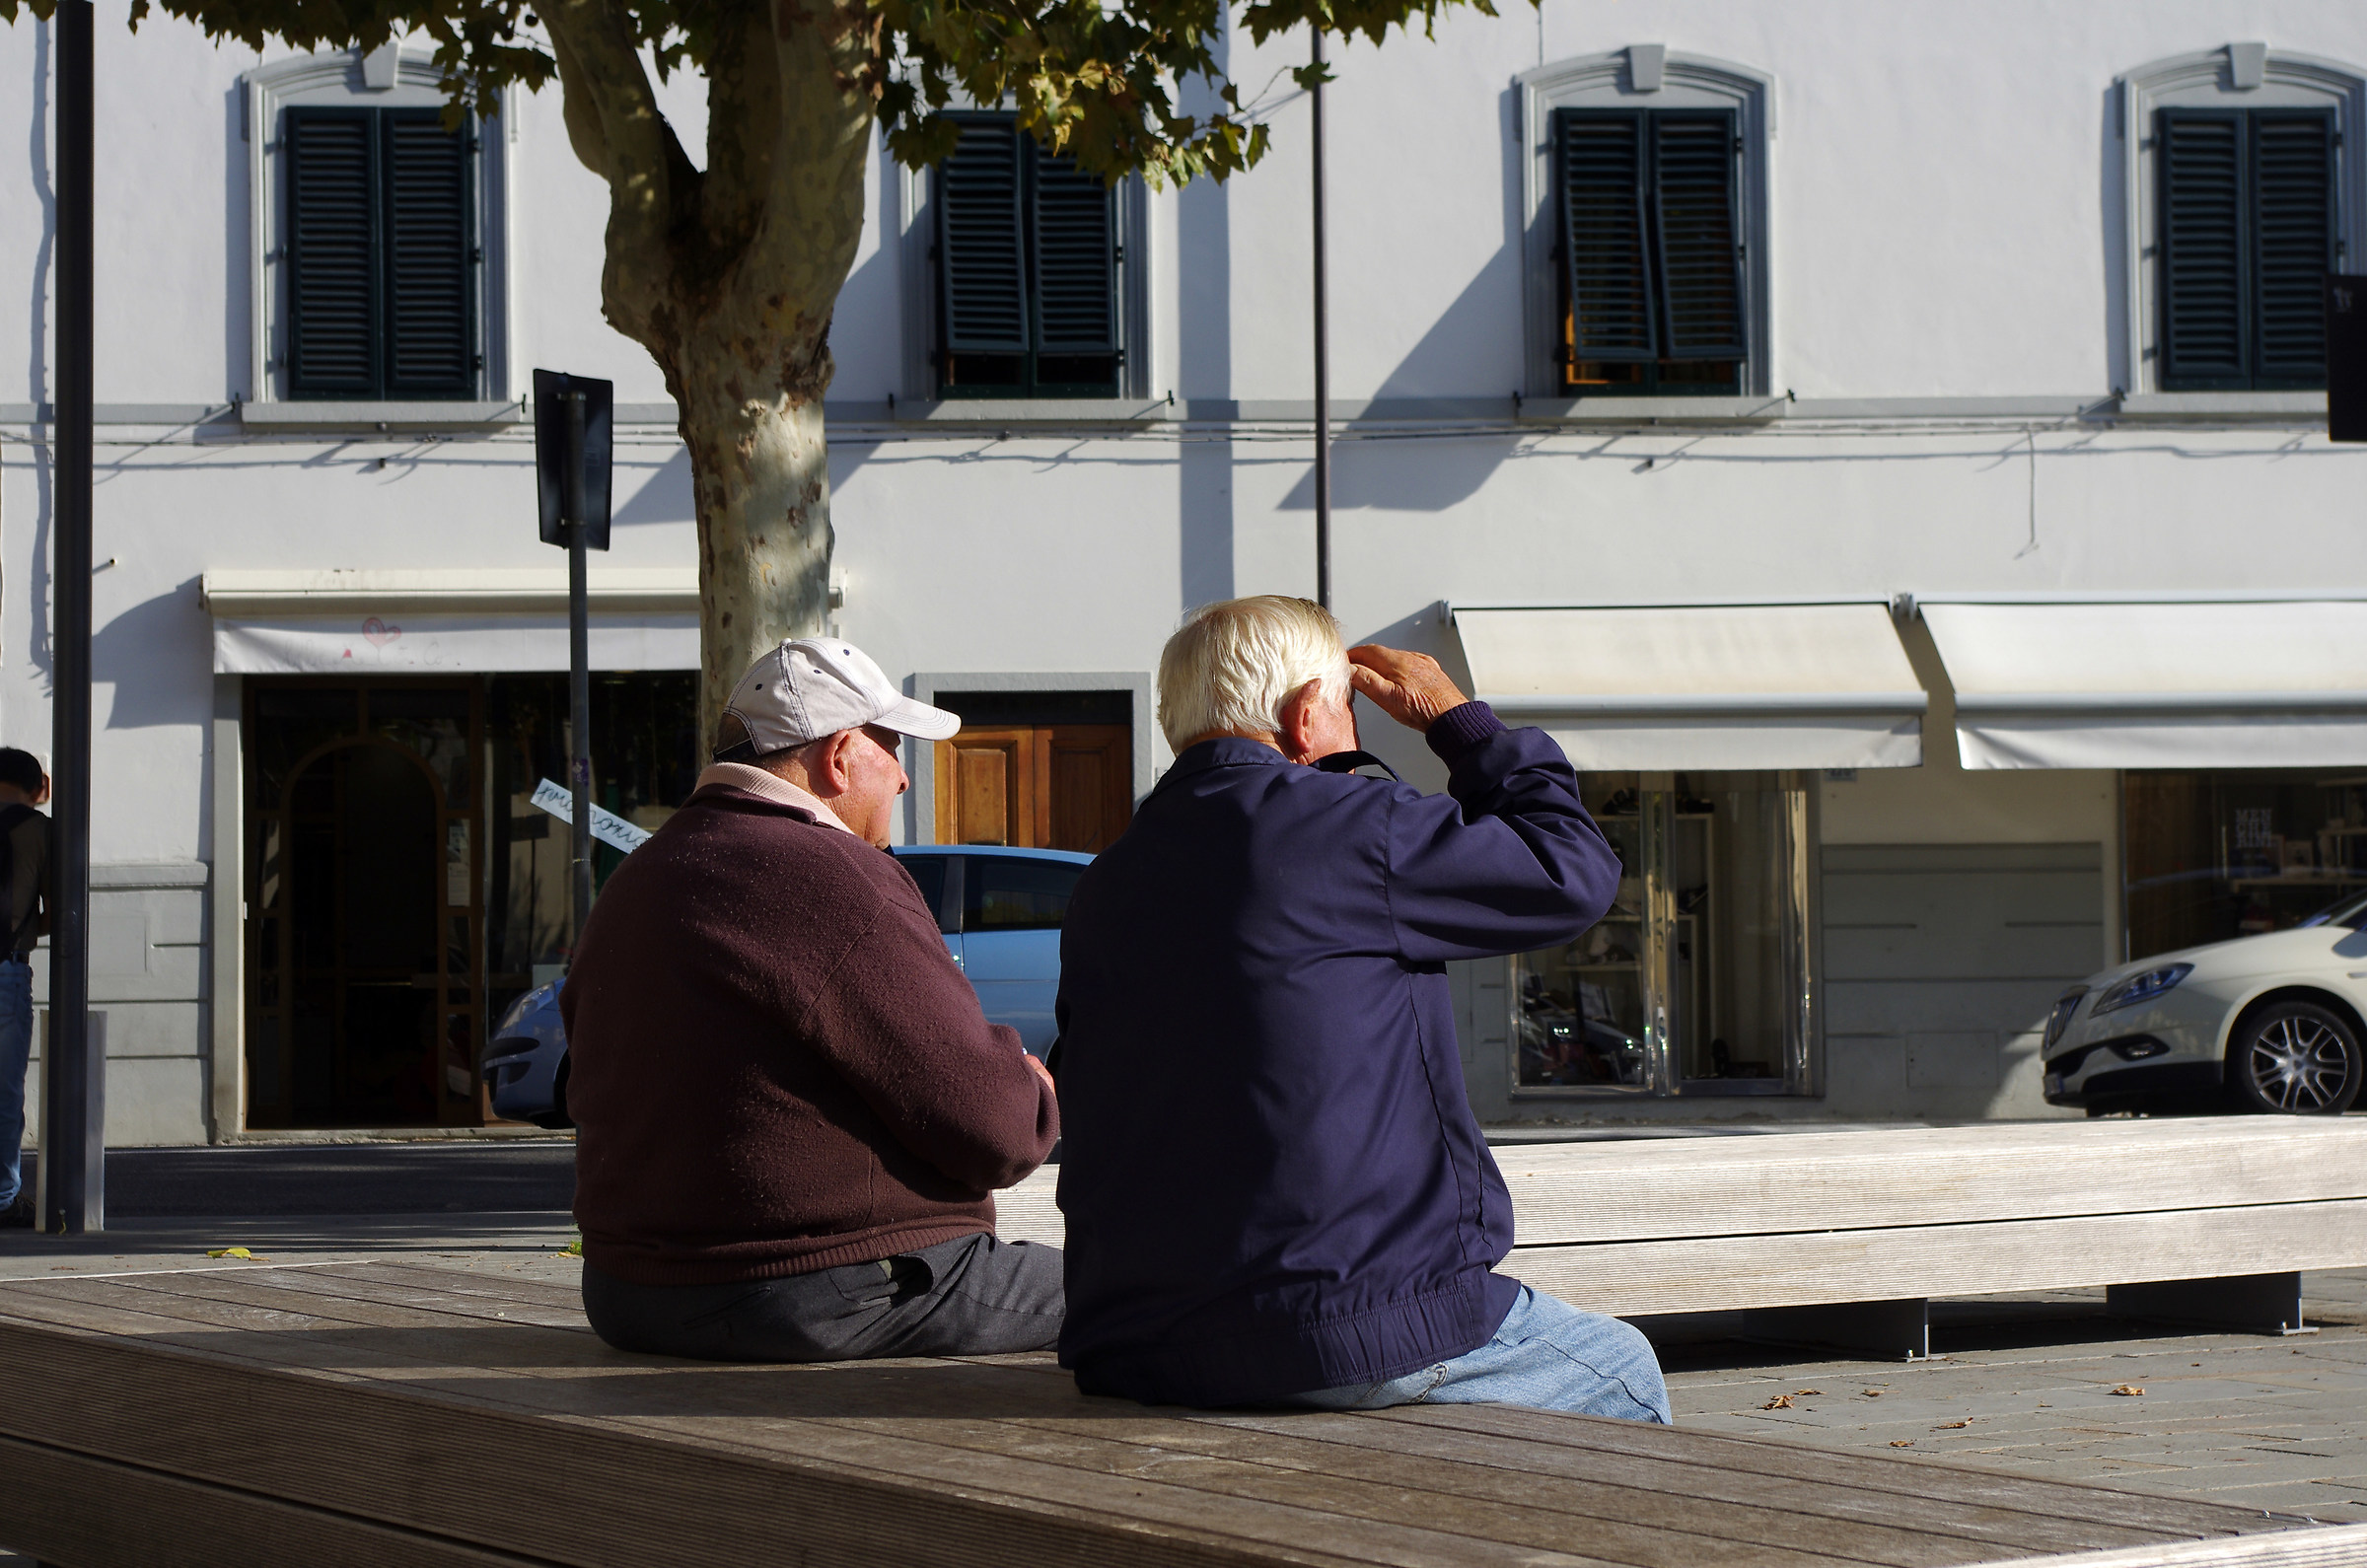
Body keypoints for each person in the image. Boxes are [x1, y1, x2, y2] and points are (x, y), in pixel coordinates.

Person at [1053, 597, 1671, 1419]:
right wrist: (1461, 724)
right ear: (1308, 716)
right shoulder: (1349, 826)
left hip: (1136, 1343)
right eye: (1348, 710)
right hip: (1337, 1331)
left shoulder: (1110, 880)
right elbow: (1572, 869)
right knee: (1620, 1368)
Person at [564, 637, 1062, 1361]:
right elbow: (997, 1133)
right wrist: (1030, 1088)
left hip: (628, 1293)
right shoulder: (837, 875)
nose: (903, 781)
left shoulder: (642, 873)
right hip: (806, 1290)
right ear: (838, 756)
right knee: (1152, 1282)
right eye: (892, 749)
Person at [0, 749, 48, 1229]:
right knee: (4, 1093)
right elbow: (58, 907)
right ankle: (3, 1198)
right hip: (6, 968)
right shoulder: (36, 829)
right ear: (40, 786)